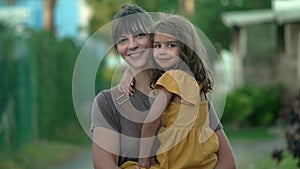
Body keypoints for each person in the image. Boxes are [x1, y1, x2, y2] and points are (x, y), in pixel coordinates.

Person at [91, 3, 236, 169]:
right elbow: (103, 165)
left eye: (139, 35)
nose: (132, 45)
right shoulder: (107, 102)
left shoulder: (186, 91)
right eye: (123, 40)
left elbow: (227, 162)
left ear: (154, 38)